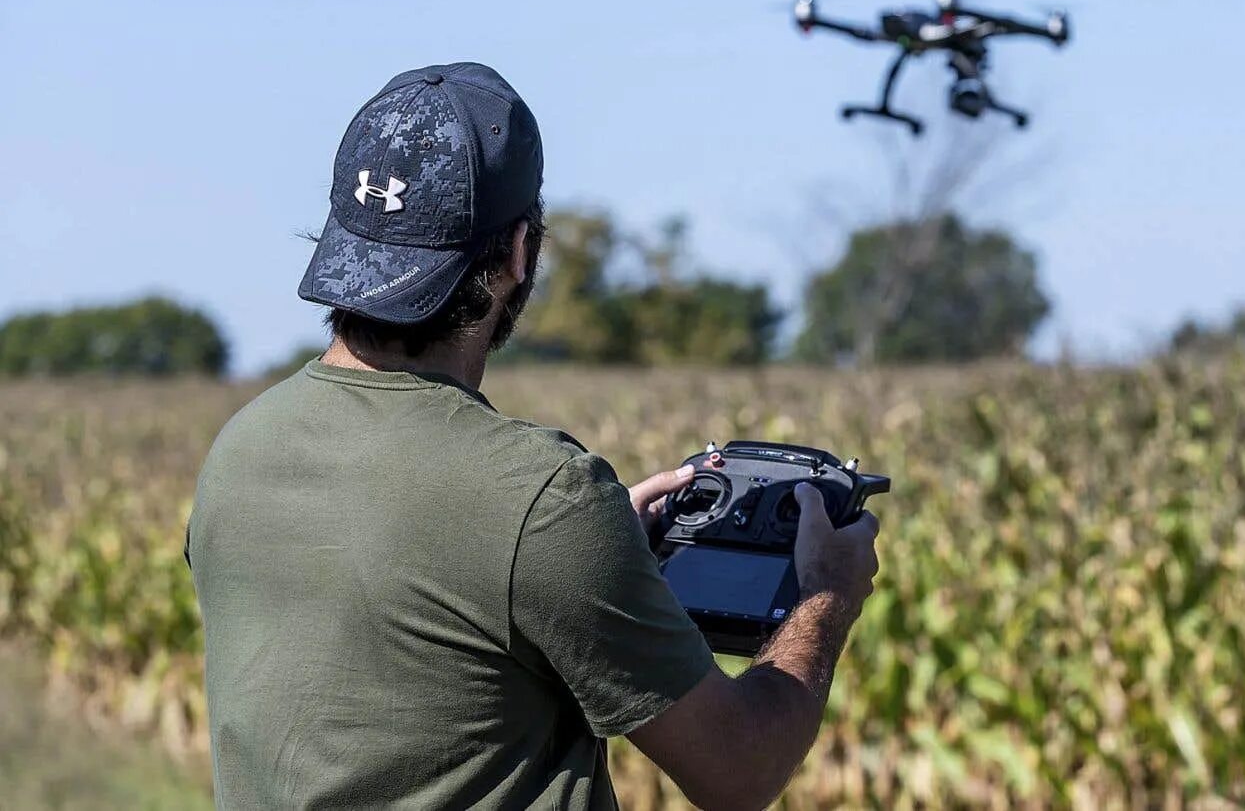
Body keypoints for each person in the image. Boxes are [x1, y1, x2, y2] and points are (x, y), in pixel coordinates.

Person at [187, 63, 880, 810]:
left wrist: (589, 558)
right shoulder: (542, 501)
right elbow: (740, 770)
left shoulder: (239, 451)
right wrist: (825, 598)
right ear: (519, 251)